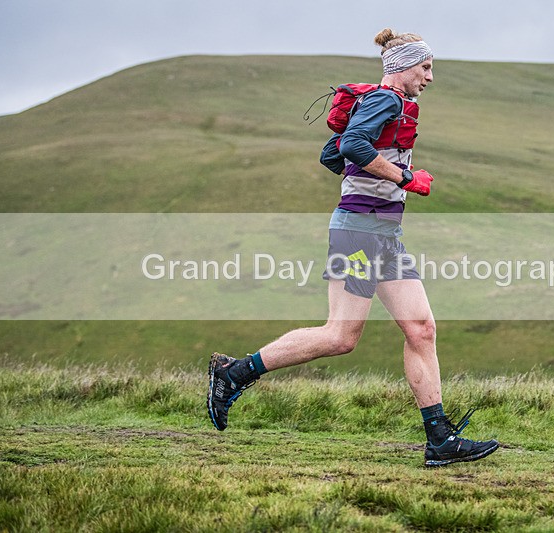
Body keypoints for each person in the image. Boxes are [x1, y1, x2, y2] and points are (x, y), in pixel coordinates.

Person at [207, 28, 499, 467]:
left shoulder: (387, 104)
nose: (431, 77)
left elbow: (333, 155)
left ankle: (440, 439)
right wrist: (402, 177)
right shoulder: (386, 100)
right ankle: (233, 374)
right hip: (359, 232)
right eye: (426, 67)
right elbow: (350, 146)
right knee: (341, 336)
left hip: (382, 233)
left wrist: (373, 163)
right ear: (404, 67)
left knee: (421, 328)